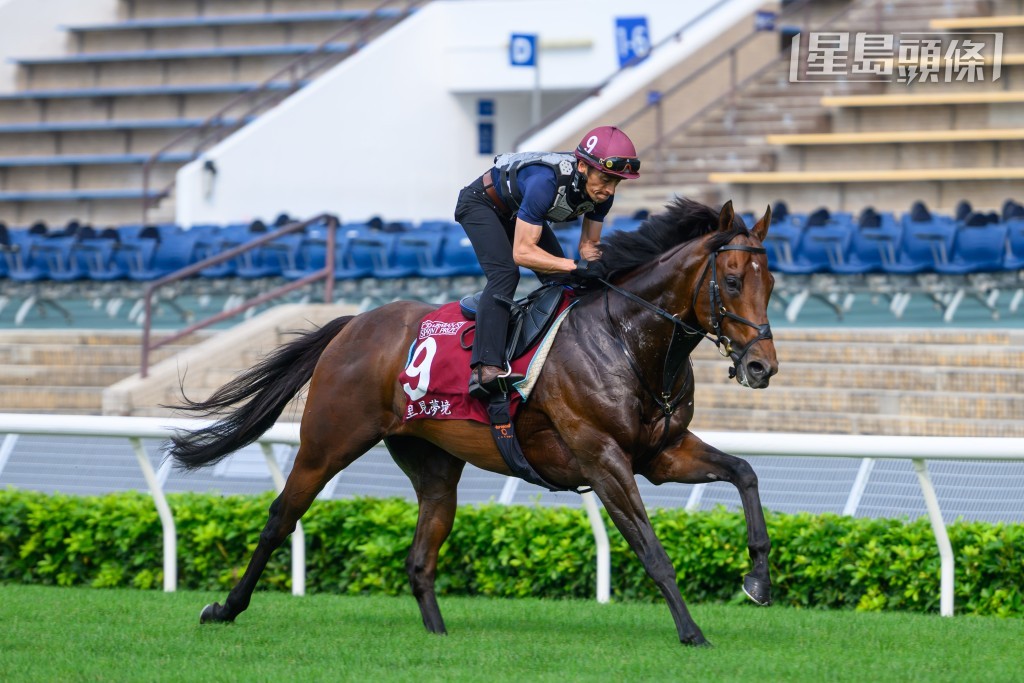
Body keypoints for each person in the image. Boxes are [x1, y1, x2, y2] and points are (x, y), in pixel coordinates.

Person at [454, 125, 641, 398]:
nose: (609, 190)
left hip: (519, 212)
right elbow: (523, 253)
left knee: (565, 281)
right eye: (604, 179)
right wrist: (575, 265)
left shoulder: (601, 196)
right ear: (582, 167)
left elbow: (589, 246)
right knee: (506, 273)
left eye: (616, 182)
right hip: (481, 204)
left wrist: (607, 270)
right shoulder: (546, 184)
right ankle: (485, 367)